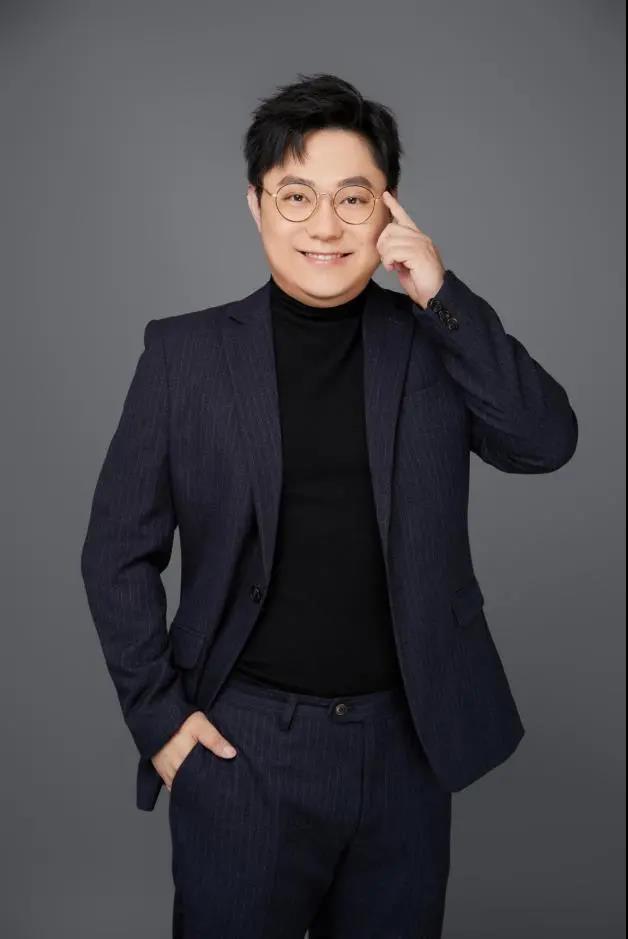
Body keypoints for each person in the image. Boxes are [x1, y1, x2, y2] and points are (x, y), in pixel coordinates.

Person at [80, 72, 579, 938]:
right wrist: (160, 722)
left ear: (389, 208)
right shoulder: (182, 356)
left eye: (353, 198)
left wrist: (442, 296)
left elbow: (545, 440)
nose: (324, 225)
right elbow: (115, 551)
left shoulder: (431, 342)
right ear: (257, 204)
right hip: (243, 748)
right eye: (296, 196)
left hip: (407, 745)